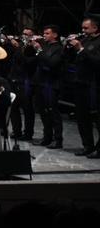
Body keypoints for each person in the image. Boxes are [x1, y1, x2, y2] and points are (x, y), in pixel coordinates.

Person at [67, 18, 100, 157]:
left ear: (95, 28)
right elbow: (70, 59)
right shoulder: (85, 40)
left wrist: (80, 49)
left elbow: (97, 62)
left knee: (98, 119)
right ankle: (88, 146)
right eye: (82, 28)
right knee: (82, 117)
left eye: (86, 28)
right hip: (80, 84)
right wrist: (68, 46)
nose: (83, 31)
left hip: (94, 85)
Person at [32, 25, 65, 148]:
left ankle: (58, 140)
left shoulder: (59, 48)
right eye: (44, 33)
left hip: (52, 84)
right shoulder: (45, 46)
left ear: (55, 35)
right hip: (41, 83)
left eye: (47, 33)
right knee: (43, 112)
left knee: (53, 113)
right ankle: (47, 137)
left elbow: (52, 63)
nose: (44, 35)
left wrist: (39, 50)